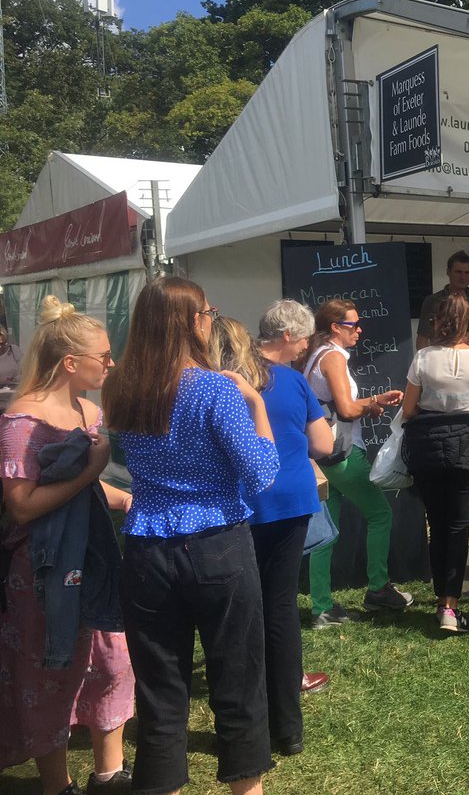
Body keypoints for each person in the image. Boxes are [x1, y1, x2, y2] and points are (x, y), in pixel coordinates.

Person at [103, 278, 279, 795]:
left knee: (160, 691)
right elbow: (261, 473)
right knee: (238, 679)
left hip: (146, 544)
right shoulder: (214, 389)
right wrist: (256, 405)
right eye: (207, 312)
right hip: (217, 542)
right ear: (193, 321)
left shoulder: (121, 388)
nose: (210, 320)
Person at [0, 297, 134, 795]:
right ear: (71, 363)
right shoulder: (22, 423)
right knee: (47, 672)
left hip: (91, 557)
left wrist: (127, 499)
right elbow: (22, 506)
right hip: (43, 569)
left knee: (112, 661)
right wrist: (92, 471)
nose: (112, 364)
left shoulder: (89, 410)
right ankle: (58, 786)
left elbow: (88, 489)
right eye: (105, 356)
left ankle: (109, 775)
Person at [212, 308, 334, 757]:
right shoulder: (292, 381)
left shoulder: (215, 381)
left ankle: (246, 719)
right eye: (304, 339)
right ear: (286, 335)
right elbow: (323, 444)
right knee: (279, 607)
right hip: (287, 500)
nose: (306, 347)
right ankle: (288, 727)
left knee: (238, 610)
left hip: (235, 504)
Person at [302, 299, 408, 627]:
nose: (360, 330)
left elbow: (336, 405)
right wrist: (371, 403)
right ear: (336, 327)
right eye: (353, 324)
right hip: (344, 453)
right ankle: (378, 588)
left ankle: (321, 606)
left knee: (326, 532)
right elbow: (347, 410)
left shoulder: (314, 356)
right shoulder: (333, 357)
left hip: (322, 454)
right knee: (380, 514)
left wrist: (373, 401)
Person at [402, 293, 469, 634]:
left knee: (437, 525)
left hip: (427, 446)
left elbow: (409, 409)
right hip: (465, 447)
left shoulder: (423, 357)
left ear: (437, 320)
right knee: (458, 529)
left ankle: (441, 597)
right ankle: (450, 606)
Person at [416, 250, 469, 349]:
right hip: (442, 356)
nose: (463, 277)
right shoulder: (433, 301)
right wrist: (428, 358)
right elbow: (422, 340)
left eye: (467, 273)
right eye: (458, 272)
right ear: (448, 272)